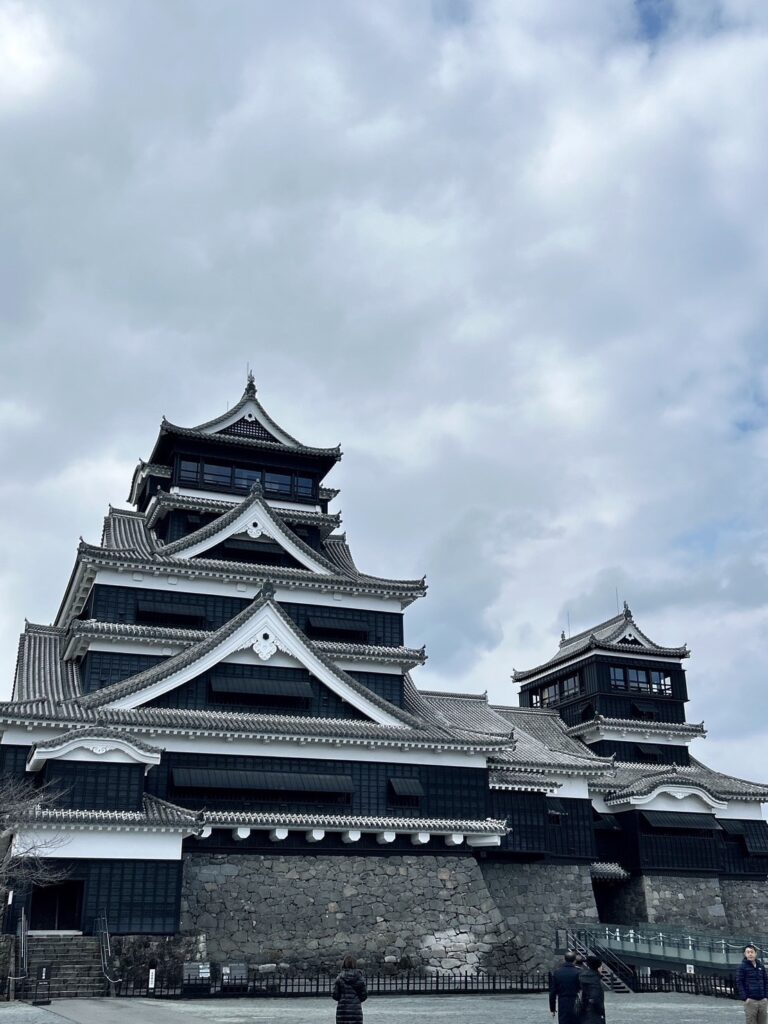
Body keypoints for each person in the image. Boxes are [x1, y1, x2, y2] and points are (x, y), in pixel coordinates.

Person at [332, 954, 367, 1024]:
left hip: (342, 1010)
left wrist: (342, 998)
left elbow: (335, 995)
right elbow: (364, 995)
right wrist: (356, 1000)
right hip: (355, 1010)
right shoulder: (359, 978)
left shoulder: (339, 978)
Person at [737, 944, 768, 1024]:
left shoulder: (761, 966)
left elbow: (766, 981)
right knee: (751, 1022)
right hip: (750, 1000)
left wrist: (766, 996)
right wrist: (745, 998)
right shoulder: (742, 967)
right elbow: (739, 982)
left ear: (755, 953)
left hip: (762, 1000)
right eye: (748, 952)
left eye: (752, 952)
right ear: (745, 954)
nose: (750, 954)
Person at [549, 951, 582, 1024]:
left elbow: (552, 992)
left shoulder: (557, 972)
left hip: (562, 1001)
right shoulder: (578, 972)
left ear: (564, 959)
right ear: (574, 960)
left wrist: (553, 1008)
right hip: (575, 1001)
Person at [578, 955, 606, 1024]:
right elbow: (595, 997)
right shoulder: (594, 978)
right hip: (594, 1012)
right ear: (598, 967)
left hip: (584, 1010)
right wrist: (600, 1010)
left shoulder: (582, 976)